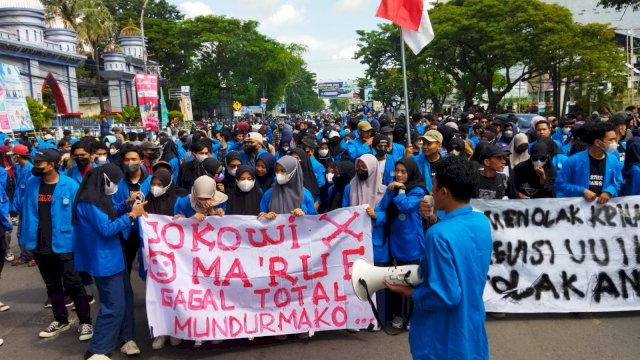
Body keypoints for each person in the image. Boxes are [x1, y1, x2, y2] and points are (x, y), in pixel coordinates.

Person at [386, 155, 491, 360]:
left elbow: (445, 296)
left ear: (444, 192)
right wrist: (433, 217)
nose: (431, 192)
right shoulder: (481, 221)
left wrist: (406, 291)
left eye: (433, 187)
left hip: (442, 336)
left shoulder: (438, 234)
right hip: (471, 327)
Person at [73, 164, 147, 359]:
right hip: (104, 261)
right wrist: (132, 215)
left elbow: (110, 212)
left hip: (114, 257)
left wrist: (126, 203)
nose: (114, 185)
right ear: (104, 180)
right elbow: (106, 228)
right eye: (113, 182)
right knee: (113, 305)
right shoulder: (89, 202)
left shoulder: (97, 198)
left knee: (124, 299)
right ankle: (98, 349)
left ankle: (126, 337)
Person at [19, 149, 93, 341]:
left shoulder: (70, 185)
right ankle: (61, 319)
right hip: (40, 245)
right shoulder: (31, 183)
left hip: (65, 244)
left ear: (51, 165)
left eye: (39, 163)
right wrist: (26, 239)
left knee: (74, 284)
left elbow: (81, 216)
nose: (35, 166)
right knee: (52, 286)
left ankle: (86, 322)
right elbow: (26, 211)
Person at [372, 157, 426, 329]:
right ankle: (399, 315)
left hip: (412, 243)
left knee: (413, 281)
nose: (400, 175)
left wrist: (401, 190)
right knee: (397, 281)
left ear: (411, 172)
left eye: (403, 171)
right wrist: (374, 215)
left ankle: (414, 317)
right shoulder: (391, 188)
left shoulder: (418, 191)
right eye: (397, 171)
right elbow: (383, 209)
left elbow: (405, 206)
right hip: (395, 241)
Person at [555, 121, 623, 203]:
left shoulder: (613, 160)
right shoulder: (573, 161)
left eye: (615, 139)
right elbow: (560, 184)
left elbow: (618, 182)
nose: (615, 143)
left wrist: (609, 191)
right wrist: (582, 191)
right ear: (598, 142)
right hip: (580, 211)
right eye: (611, 140)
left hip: (604, 210)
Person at [112, 146, 151, 276]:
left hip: (147, 231)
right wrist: (126, 203)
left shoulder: (152, 181)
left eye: (134, 159)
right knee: (124, 267)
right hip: (126, 232)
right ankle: (125, 294)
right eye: (127, 160)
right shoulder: (118, 184)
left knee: (149, 268)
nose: (130, 163)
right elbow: (113, 209)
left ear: (141, 161)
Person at [10, 144, 34, 266]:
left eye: (14, 155)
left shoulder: (30, 170)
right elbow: (18, 188)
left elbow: (31, 190)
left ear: (18, 156)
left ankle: (32, 255)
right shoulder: (18, 168)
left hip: (29, 207)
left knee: (28, 231)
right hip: (21, 206)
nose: (12, 157)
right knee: (21, 232)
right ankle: (25, 255)